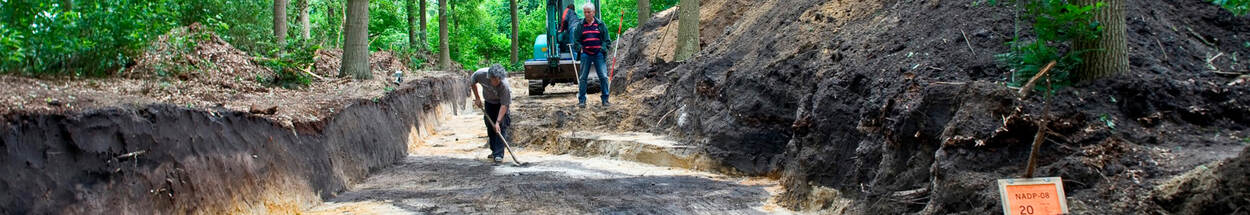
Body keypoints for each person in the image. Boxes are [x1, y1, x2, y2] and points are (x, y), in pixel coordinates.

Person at [469, 64, 512, 163]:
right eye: (495, 80)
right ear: (490, 77)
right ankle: (494, 151)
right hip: (489, 102)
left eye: (498, 79)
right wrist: (477, 98)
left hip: (501, 104)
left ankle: (499, 154)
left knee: (500, 126)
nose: (497, 82)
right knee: (490, 126)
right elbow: (472, 81)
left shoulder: (504, 85)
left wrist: (498, 121)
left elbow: (504, 105)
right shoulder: (480, 74)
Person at [573, 3, 611, 108]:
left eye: (588, 12)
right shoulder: (580, 25)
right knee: (583, 78)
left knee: (603, 76)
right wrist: (580, 48)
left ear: (593, 12)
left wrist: (602, 49)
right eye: (585, 12)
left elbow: (607, 40)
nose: (586, 14)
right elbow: (576, 40)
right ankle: (582, 100)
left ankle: (605, 99)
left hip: (598, 54)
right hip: (586, 54)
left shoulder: (600, 24)